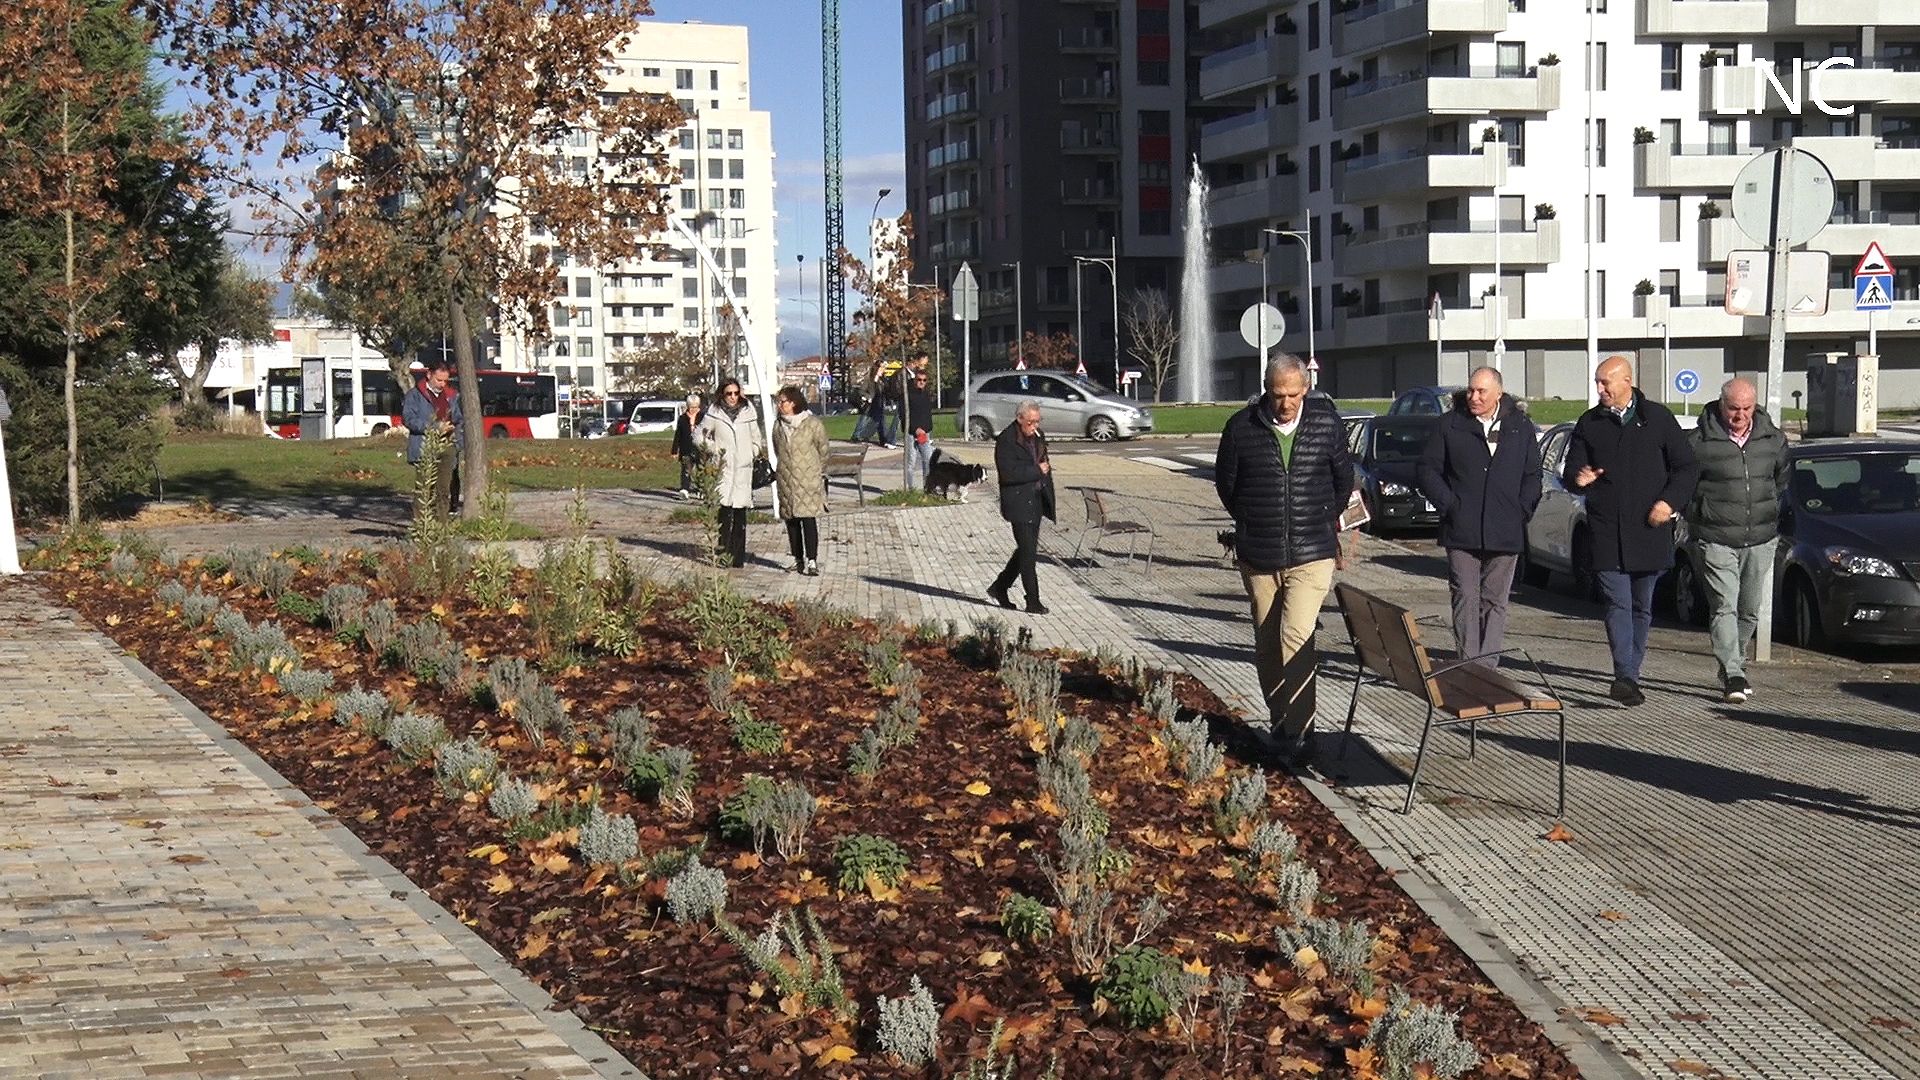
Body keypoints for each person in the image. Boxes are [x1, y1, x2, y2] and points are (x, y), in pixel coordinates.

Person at [1214, 355, 1354, 762]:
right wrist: (1253, 519)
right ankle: (1280, 720)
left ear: (1305, 389)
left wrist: (1320, 519)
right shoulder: (1241, 428)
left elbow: (1343, 481)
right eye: (1278, 395)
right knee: (1267, 641)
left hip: (1312, 552)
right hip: (1260, 553)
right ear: (1266, 390)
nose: (1286, 403)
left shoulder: (1327, 426)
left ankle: (1302, 731)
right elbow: (1227, 485)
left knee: (1296, 634)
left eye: (1293, 394)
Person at [1565, 355, 1700, 706]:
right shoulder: (1590, 422)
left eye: (1605, 382)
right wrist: (1579, 478)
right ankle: (1623, 675)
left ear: (1627, 381)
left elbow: (1686, 467)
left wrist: (1668, 503)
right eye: (1597, 382)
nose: (1599, 389)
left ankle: (1631, 674)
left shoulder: (1657, 418)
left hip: (1648, 528)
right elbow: (1572, 470)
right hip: (1606, 529)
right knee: (1617, 602)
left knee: (1642, 606)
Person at [1416, 366, 1542, 670]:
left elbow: (1533, 475)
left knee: (1495, 600)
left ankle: (1487, 666)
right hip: (1461, 528)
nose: (1474, 397)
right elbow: (1427, 470)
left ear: (1498, 393)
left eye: (1481, 391)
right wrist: (1450, 505)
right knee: (1465, 595)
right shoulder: (1450, 424)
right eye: (1471, 390)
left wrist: (1521, 509)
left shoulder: (1520, 426)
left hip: (1505, 528)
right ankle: (1468, 664)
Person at [1686, 376, 1787, 703]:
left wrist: (1769, 514)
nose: (1740, 415)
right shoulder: (1699, 442)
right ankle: (1732, 673)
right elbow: (1685, 485)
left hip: (1760, 537)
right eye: (1733, 408)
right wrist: (1698, 515)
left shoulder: (1773, 439)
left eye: (1746, 408)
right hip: (1715, 537)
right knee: (1724, 605)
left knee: (1749, 609)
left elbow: (1780, 481)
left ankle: (1736, 662)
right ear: (1721, 405)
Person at [988, 400, 1055, 615]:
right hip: (1018, 502)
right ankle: (1032, 600)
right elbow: (1008, 474)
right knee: (1028, 555)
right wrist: (1037, 471)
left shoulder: (1038, 436)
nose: (1034, 426)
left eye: (1037, 421)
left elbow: (1044, 462)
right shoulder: (1007, 440)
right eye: (1030, 422)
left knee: (1027, 550)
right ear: (1019, 419)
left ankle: (1000, 587)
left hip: (1036, 499)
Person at [695, 377, 764, 568]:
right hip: (723, 469)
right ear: (722, 394)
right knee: (724, 514)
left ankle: (738, 557)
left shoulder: (748, 411)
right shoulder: (715, 412)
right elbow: (698, 436)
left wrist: (752, 451)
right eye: (729, 394)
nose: (733, 397)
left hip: (743, 469)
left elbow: (756, 437)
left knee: (740, 516)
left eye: (736, 393)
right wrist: (715, 449)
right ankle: (723, 554)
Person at [772, 385, 829, 576]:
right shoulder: (778, 426)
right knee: (791, 521)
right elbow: (777, 449)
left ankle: (812, 559)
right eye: (778, 402)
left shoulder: (812, 423)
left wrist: (815, 470)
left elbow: (823, 449)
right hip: (787, 479)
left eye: (783, 402)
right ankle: (797, 558)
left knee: (808, 519)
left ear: (793, 402)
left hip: (807, 480)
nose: (780, 405)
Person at [402, 358, 463, 521]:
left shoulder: (451, 395)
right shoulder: (414, 395)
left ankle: (441, 526)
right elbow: (409, 419)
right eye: (439, 380)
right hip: (425, 446)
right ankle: (422, 527)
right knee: (424, 490)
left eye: (445, 381)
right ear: (429, 375)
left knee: (443, 490)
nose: (442, 384)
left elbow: (458, 419)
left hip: (447, 446)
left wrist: (457, 442)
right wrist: (435, 427)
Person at [904, 360, 935, 490]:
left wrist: (925, 430)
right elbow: (904, 415)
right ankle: (910, 488)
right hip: (911, 433)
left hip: (923, 434)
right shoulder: (908, 395)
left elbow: (927, 416)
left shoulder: (927, 395)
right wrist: (915, 428)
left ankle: (927, 487)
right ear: (915, 380)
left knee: (928, 459)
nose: (921, 382)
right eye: (919, 380)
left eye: (924, 380)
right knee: (910, 461)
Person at [670, 392, 704, 499]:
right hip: (686, 448)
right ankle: (684, 489)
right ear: (687, 406)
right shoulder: (682, 418)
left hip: (700, 448)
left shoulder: (704, 417)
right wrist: (674, 450)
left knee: (701, 469)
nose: (693, 409)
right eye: (691, 407)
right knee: (686, 470)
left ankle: (701, 489)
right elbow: (678, 435)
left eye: (695, 407)